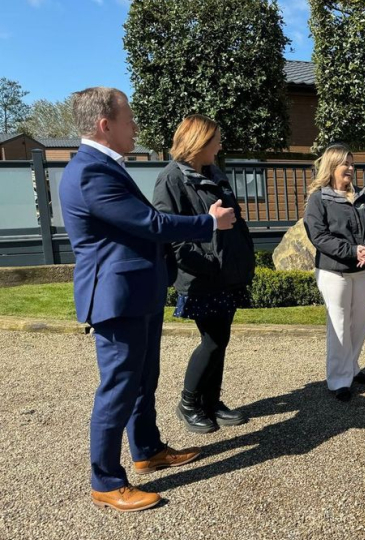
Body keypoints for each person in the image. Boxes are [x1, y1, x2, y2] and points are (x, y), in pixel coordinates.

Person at [59, 88, 237, 512]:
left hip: (137, 293)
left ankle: (147, 450)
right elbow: (148, 222)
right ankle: (105, 480)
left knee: (143, 380)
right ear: (105, 124)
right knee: (118, 388)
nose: (135, 125)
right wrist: (207, 222)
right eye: (129, 118)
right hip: (116, 298)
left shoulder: (103, 168)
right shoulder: (90, 172)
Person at [153, 114, 255, 434]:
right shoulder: (171, 179)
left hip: (226, 274)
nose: (220, 146)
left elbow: (232, 219)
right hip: (201, 276)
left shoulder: (212, 172)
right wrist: (208, 264)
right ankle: (187, 404)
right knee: (212, 340)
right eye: (216, 141)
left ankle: (211, 401)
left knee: (220, 340)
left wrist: (240, 258)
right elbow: (172, 236)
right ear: (198, 143)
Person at [303, 143, 365, 402]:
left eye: (352, 163)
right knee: (338, 325)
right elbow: (319, 236)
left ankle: (352, 367)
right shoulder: (318, 198)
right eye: (345, 164)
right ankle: (338, 380)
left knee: (360, 323)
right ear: (332, 167)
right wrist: (352, 251)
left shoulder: (360, 196)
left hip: (363, 270)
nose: (350, 168)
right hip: (334, 272)